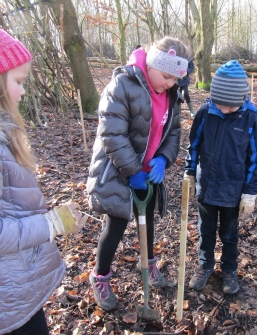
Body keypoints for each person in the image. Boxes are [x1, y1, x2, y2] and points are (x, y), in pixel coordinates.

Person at [0, 1, 88, 334]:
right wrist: (50, 224)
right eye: (19, 81)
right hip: (3, 287)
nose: (23, 91)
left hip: (12, 278)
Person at [86, 36, 190, 311]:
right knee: (117, 224)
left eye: (174, 79)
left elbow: (174, 132)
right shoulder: (122, 85)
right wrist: (132, 171)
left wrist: (163, 159)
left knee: (148, 221)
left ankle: (149, 263)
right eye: (166, 76)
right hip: (118, 170)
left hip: (148, 172)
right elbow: (112, 134)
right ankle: (100, 276)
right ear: (153, 65)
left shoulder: (171, 94)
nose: (170, 83)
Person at [184, 60, 257, 294]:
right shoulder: (205, 112)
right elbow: (194, 145)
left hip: (234, 190)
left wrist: (251, 193)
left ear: (240, 99)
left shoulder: (253, 120)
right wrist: (190, 173)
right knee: (206, 230)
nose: (223, 110)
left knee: (229, 234)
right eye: (219, 104)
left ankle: (229, 269)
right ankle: (205, 265)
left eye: (229, 106)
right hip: (207, 185)